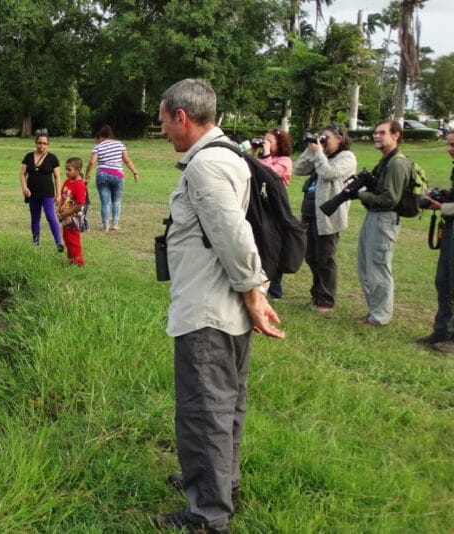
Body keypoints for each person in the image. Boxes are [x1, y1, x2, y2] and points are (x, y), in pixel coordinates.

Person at [154, 78, 284, 534]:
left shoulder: (205, 167)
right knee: (226, 403)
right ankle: (217, 483)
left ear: (181, 116)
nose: (164, 130)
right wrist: (253, 295)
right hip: (224, 308)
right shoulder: (227, 156)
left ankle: (208, 515)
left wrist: (253, 291)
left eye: (164, 121)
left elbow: (233, 234)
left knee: (204, 407)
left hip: (209, 311)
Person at [293, 124, 357, 312]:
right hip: (309, 211)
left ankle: (326, 300)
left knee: (325, 257)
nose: (322, 140)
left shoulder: (347, 157)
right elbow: (298, 169)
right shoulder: (322, 155)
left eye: (326, 137)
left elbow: (330, 173)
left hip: (328, 215)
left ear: (339, 139)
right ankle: (317, 294)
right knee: (310, 255)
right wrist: (310, 148)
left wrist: (319, 153)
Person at [357, 119, 412, 326]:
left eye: (382, 133)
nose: (376, 136)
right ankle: (374, 311)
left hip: (385, 218)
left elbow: (390, 199)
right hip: (375, 216)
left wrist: (362, 195)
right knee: (366, 266)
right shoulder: (386, 159)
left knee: (379, 266)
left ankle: (380, 317)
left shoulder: (397, 163)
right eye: (375, 133)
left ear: (395, 135)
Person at [419, 132, 454, 351]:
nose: (449, 148)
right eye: (449, 144)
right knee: (443, 282)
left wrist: (441, 207)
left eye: (453, 144)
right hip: (449, 230)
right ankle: (441, 331)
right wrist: (442, 193)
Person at [251, 128, 294, 298]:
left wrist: (266, 153)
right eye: (264, 140)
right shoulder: (264, 158)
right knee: (257, 243)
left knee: (273, 247)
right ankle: (257, 282)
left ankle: (275, 289)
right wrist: (253, 152)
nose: (265, 143)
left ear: (279, 144)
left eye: (269, 141)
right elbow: (248, 169)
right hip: (260, 207)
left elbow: (270, 175)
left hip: (276, 209)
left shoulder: (285, 161)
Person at [84, 125, 139, 231]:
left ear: (101, 137)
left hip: (102, 175)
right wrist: (135, 173)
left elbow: (92, 162)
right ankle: (115, 224)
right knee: (116, 201)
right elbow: (127, 160)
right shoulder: (120, 145)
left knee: (105, 202)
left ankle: (106, 226)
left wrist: (87, 174)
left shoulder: (98, 146)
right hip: (117, 175)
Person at [20, 134, 65, 252]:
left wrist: (58, 194)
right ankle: (36, 242)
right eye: (40, 143)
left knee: (50, 216)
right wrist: (24, 188)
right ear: (36, 143)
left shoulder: (52, 158)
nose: (42, 145)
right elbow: (22, 174)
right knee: (35, 218)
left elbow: (57, 177)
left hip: (47, 193)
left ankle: (59, 243)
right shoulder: (28, 157)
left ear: (48, 145)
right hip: (32, 193)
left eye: (45, 143)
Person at [58, 157, 87, 265]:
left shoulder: (79, 184)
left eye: (69, 169)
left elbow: (80, 204)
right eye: (65, 169)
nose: (66, 172)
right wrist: (59, 209)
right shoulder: (67, 181)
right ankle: (71, 260)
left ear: (78, 170)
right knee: (67, 238)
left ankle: (79, 262)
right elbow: (63, 196)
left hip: (74, 218)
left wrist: (67, 213)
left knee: (74, 239)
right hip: (65, 217)